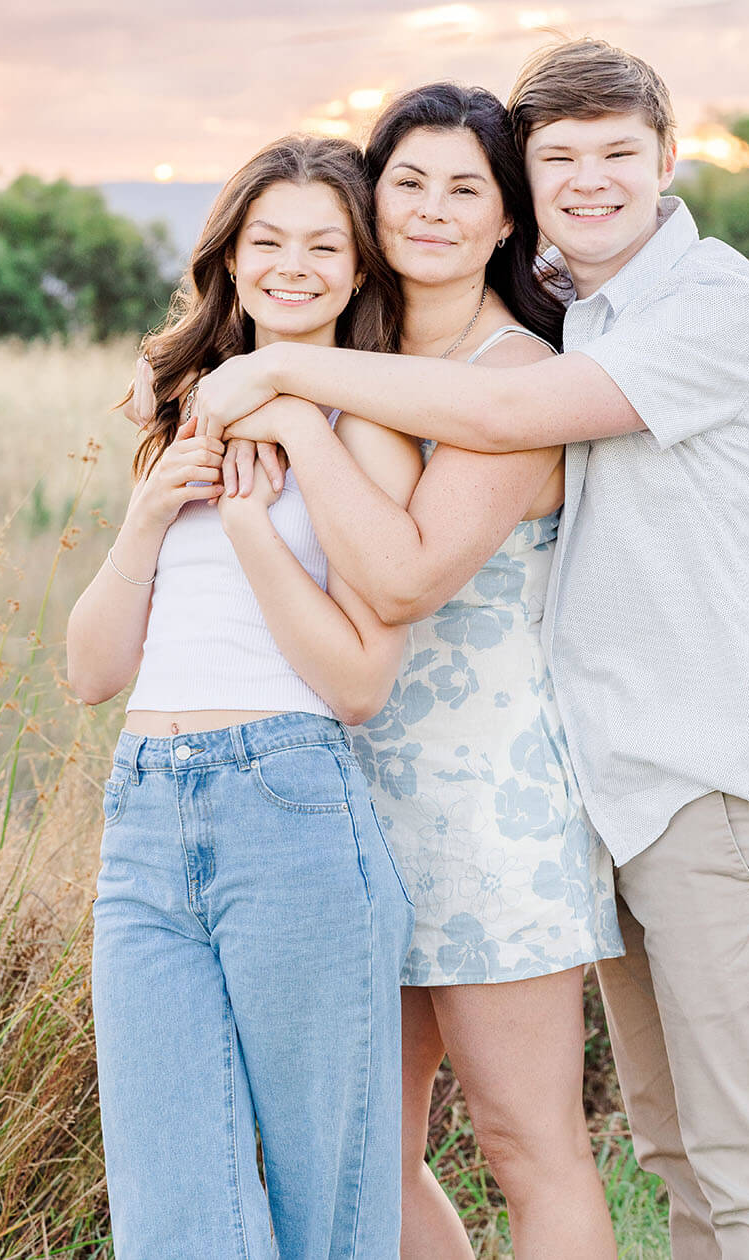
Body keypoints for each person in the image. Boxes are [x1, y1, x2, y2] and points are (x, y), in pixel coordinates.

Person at [192, 42, 749, 1260]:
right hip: (611, 792)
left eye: (616, 153)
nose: (587, 180)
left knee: (739, 1166)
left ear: (667, 158)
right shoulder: (580, 306)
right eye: (558, 157)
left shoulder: (703, 305)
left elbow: (490, 435)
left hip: (729, 782)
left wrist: (279, 374)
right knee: (673, 1148)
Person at [218, 85, 623, 1260]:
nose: (432, 210)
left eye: (466, 188)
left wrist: (290, 407)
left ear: (507, 220)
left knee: (521, 1141)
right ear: (371, 196)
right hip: (342, 800)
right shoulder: (355, 361)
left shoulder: (517, 380)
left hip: (489, 811)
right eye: (408, 181)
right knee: (359, 1154)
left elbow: (399, 582)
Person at [67, 136, 420, 1260]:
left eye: (325, 244)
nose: (293, 265)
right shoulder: (180, 408)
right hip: (144, 820)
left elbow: (360, 682)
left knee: (332, 1214)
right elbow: (88, 673)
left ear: (361, 270)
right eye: (267, 240)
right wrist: (148, 514)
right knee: (175, 1221)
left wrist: (253, 527)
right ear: (229, 256)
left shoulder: (364, 426)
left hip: (294, 807)